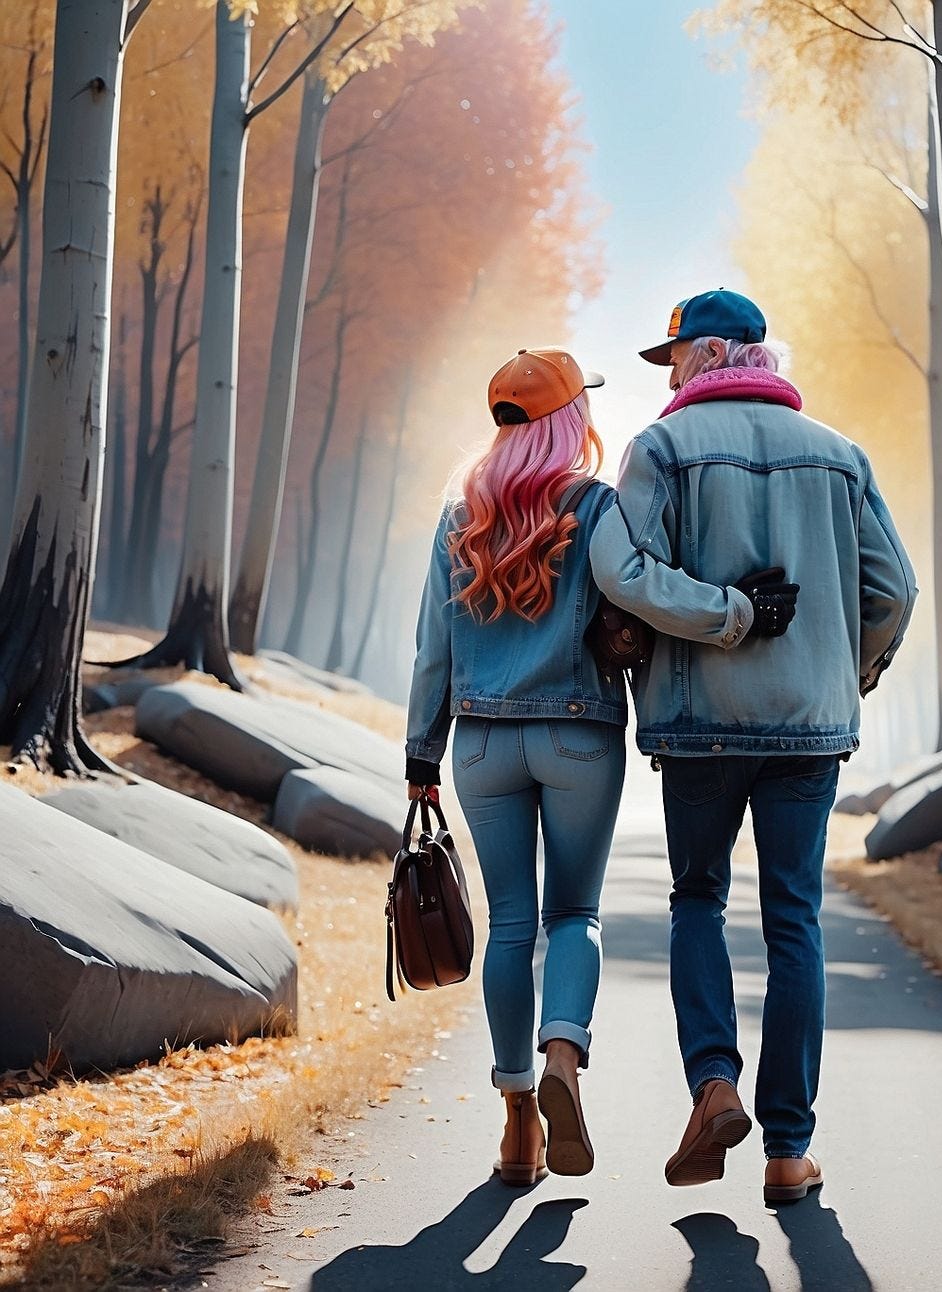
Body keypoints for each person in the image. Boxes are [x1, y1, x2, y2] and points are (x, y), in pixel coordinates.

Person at [589, 289, 916, 1204]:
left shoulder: (658, 451)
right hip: (809, 731)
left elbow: (622, 573)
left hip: (699, 723)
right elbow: (893, 589)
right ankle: (787, 1150)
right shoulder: (841, 457)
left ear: (717, 350)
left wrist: (720, 621)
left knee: (698, 897)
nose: (673, 372)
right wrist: (844, 672)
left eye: (678, 355)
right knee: (794, 923)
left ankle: (713, 1084)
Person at [405, 348, 628, 1186]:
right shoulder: (595, 505)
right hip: (579, 737)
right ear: (572, 418)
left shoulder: (458, 514)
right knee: (575, 914)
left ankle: (516, 1126)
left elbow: (434, 647)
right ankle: (563, 1056)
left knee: (511, 925)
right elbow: (631, 597)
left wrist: (420, 752)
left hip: (483, 745)